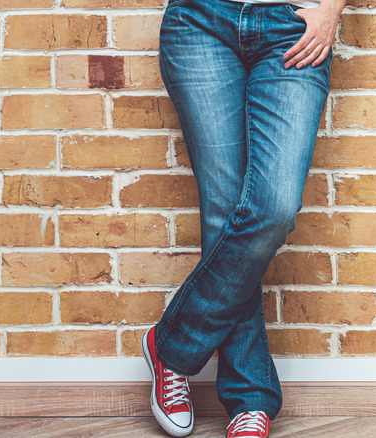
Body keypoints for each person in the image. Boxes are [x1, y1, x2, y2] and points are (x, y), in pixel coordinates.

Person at [140, 0, 344, 436]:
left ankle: (170, 346)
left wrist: (331, 9)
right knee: (223, 211)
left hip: (292, 26)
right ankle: (248, 397)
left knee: (274, 206)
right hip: (199, 22)